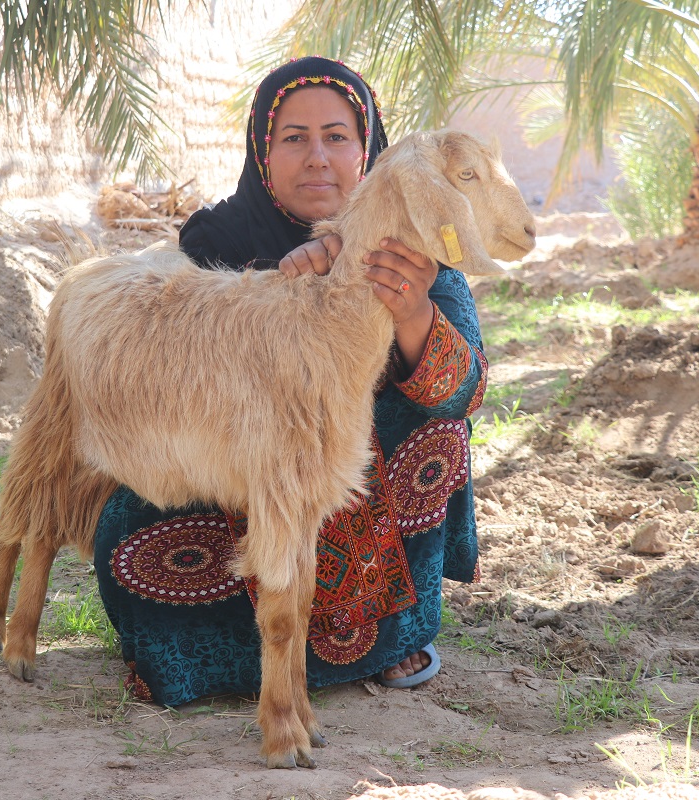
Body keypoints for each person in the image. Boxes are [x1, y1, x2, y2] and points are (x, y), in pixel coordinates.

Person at [92, 56, 487, 704]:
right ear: (263, 151)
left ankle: (385, 638)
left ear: (368, 152)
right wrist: (284, 291)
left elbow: (463, 392)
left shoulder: (415, 240)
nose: (317, 158)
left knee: (431, 433)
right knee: (132, 533)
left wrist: (411, 308)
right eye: (294, 138)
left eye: (337, 137)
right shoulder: (216, 241)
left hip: (370, 482)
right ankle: (227, 659)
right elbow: (176, 384)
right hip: (235, 479)